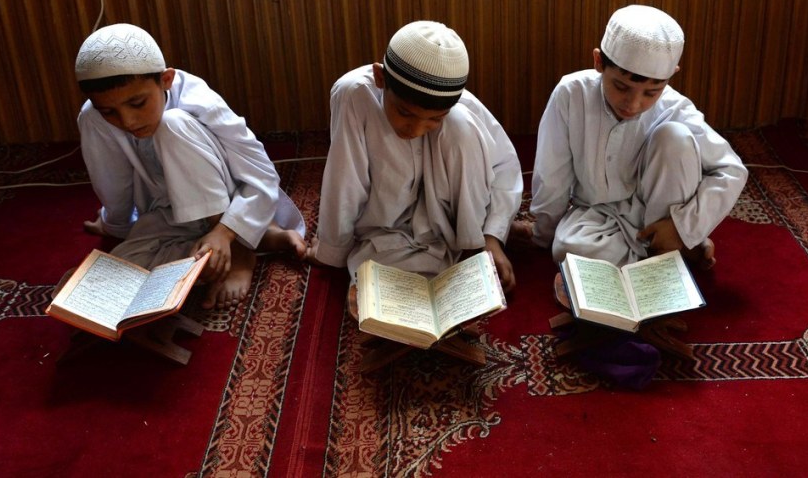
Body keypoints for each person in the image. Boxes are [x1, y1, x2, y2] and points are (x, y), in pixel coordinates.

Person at [73, 23, 306, 310]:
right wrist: (114, 224)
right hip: (167, 212)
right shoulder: (93, 118)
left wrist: (226, 231)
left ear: (166, 79)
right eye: (110, 111)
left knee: (172, 125)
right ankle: (257, 239)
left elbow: (261, 173)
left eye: (137, 102)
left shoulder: (198, 99)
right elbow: (113, 182)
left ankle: (239, 249)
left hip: (227, 204)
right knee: (121, 271)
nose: (128, 121)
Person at [524, 5, 748, 295]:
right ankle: (671, 256)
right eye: (621, 86)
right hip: (594, 215)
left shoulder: (675, 108)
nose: (633, 104)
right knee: (566, 247)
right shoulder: (571, 94)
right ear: (598, 62)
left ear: (671, 77)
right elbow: (551, 174)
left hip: (656, 216)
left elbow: (731, 170)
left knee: (675, 138)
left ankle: (671, 244)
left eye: (651, 93)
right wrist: (543, 235)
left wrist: (681, 227)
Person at [308, 20, 523, 317]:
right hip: (382, 232)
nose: (416, 129)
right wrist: (332, 250)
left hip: (448, 230)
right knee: (380, 281)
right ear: (380, 77)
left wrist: (491, 238)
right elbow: (345, 180)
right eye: (405, 113)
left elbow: (504, 169)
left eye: (434, 120)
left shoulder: (460, 110)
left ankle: (472, 252)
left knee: (461, 128)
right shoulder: (355, 95)